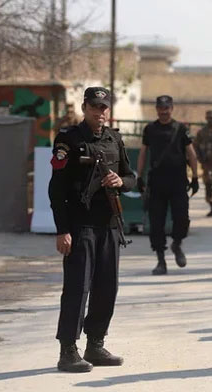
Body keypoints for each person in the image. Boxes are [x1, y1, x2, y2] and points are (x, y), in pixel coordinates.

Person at [48, 87, 135, 372]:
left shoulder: (115, 139)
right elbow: (56, 188)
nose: (100, 113)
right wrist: (63, 230)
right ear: (85, 107)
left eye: (105, 108)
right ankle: (68, 350)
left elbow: (133, 179)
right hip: (80, 224)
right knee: (77, 287)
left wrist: (120, 182)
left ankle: (95, 344)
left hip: (109, 224)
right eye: (95, 107)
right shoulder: (69, 140)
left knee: (107, 286)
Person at [136, 95, 199, 275]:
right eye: (160, 109)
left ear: (172, 109)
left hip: (178, 182)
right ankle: (160, 261)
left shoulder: (180, 129)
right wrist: (139, 177)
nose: (164, 112)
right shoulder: (150, 129)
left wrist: (195, 177)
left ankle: (177, 244)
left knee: (182, 218)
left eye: (167, 108)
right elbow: (142, 153)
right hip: (157, 183)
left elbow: (191, 154)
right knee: (156, 223)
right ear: (156, 109)